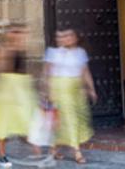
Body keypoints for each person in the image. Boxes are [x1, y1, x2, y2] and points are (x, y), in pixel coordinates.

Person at [0, 26, 37, 169]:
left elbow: (23, 71)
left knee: (28, 120)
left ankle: (37, 154)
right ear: (7, 34)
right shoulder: (2, 49)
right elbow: (0, 69)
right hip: (5, 91)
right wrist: (8, 51)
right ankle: (2, 155)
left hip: (20, 91)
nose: (18, 35)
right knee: (2, 125)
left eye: (19, 32)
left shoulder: (21, 49)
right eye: (14, 32)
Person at [43, 29, 96, 164]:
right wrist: (48, 91)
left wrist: (91, 89)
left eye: (70, 35)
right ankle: (77, 152)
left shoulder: (80, 52)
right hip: (60, 89)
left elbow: (85, 72)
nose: (67, 38)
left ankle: (53, 149)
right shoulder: (53, 53)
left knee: (72, 120)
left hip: (76, 91)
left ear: (76, 38)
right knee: (70, 119)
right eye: (64, 36)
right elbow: (47, 74)